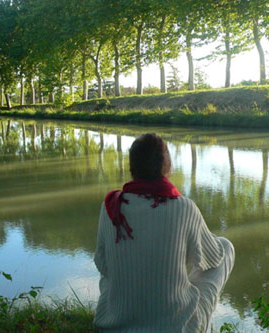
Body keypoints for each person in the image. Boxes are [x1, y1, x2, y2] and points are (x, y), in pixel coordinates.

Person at [94, 133, 235, 332]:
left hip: (114, 326)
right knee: (225, 248)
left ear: (133, 166)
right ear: (165, 163)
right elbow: (213, 258)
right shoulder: (183, 207)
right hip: (179, 328)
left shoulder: (111, 207)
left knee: (109, 272)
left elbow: (102, 263)